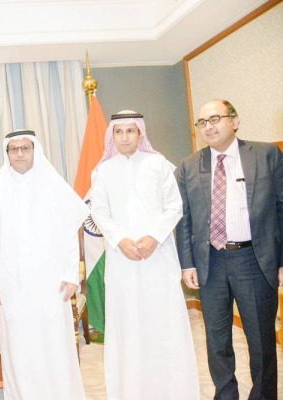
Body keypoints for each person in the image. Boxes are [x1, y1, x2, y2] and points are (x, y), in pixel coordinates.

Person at [176, 99, 283, 399]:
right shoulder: (188, 165)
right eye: (202, 122)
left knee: (260, 339)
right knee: (216, 339)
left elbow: (281, 207)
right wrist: (187, 264)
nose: (208, 126)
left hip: (254, 259)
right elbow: (184, 219)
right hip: (210, 262)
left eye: (215, 119)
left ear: (235, 121)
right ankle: (226, 394)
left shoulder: (266, 155)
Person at [90, 111, 199, 400]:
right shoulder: (102, 171)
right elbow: (99, 211)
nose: (125, 137)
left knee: (162, 321)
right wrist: (120, 240)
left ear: (141, 134)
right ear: (112, 136)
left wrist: (154, 237)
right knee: (127, 323)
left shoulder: (159, 164)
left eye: (131, 131)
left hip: (158, 257)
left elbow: (174, 207)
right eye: (119, 132)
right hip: (121, 258)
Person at [0, 129, 88, 399]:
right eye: (14, 149)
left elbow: (71, 232)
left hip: (52, 282)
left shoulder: (54, 186)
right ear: (8, 154)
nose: (20, 153)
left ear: (35, 150)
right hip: (13, 284)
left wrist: (72, 275)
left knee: (53, 344)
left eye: (25, 148)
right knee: (21, 346)